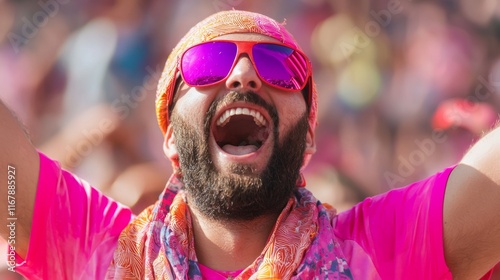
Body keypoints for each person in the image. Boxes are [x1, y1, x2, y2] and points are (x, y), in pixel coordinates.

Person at [1, 10, 499, 280]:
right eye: (209, 62)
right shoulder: (93, 250)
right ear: (170, 133)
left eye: (280, 67)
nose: (243, 75)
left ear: (308, 137)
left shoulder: (381, 251)